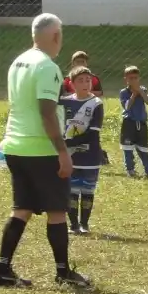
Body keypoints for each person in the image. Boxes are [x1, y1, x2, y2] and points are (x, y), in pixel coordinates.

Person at [0, 13, 90, 289]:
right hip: (40, 148)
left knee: (21, 208)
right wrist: (62, 151)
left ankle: (3, 269)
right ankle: (63, 272)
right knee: (57, 210)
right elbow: (47, 112)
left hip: (15, 145)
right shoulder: (47, 67)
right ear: (55, 36)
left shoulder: (18, 62)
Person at [60, 66, 104, 234]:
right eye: (81, 80)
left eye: (88, 80)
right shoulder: (64, 102)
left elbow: (93, 134)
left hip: (90, 156)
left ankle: (84, 224)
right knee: (71, 191)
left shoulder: (96, 104)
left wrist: (67, 143)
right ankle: (73, 225)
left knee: (87, 191)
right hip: (70, 156)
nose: (86, 83)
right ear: (72, 83)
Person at [118, 66, 148, 178]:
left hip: (141, 123)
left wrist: (140, 91)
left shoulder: (143, 89)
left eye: (135, 78)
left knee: (143, 148)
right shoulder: (124, 92)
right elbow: (127, 107)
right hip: (129, 123)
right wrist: (133, 94)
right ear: (126, 79)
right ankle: (130, 169)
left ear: (139, 78)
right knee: (128, 148)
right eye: (131, 78)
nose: (133, 80)